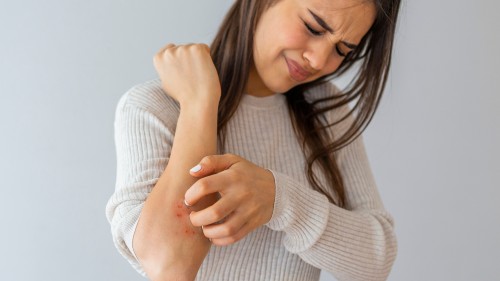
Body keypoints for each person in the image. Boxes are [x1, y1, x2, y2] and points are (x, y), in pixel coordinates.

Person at [105, 0, 401, 280]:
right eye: (313, 27)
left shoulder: (327, 113)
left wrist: (280, 200)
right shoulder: (154, 108)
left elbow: (376, 263)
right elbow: (171, 266)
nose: (319, 59)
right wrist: (200, 104)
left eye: (342, 50)